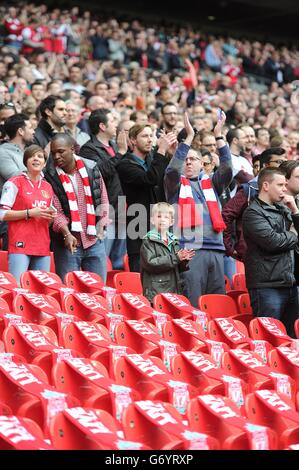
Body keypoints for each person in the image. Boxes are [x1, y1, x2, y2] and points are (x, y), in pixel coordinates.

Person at [165, 111, 233, 307]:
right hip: (190, 250)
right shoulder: (175, 186)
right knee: (193, 305)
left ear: (202, 163)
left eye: (193, 159)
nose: (188, 161)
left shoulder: (212, 184)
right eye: (185, 158)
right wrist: (188, 138)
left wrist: (219, 135)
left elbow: (227, 169)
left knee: (217, 305)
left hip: (217, 250)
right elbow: (171, 171)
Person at [44, 133, 109, 283]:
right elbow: (55, 210)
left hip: (94, 240)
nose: (56, 156)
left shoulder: (91, 167)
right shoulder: (49, 175)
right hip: (67, 244)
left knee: (98, 291)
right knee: (68, 291)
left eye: (61, 151)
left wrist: (102, 224)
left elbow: (102, 197)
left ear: (72, 149)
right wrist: (66, 234)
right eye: (53, 153)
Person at [242, 167, 299, 337]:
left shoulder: (284, 209)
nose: (284, 189)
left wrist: (295, 211)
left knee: (292, 340)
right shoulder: (252, 213)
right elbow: (273, 242)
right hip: (267, 286)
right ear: (266, 185)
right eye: (280, 185)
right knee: (268, 339)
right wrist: (294, 233)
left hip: (289, 282)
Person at [0, 144, 55, 284]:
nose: (36, 159)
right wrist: (29, 213)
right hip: (20, 245)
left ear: (44, 163)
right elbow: (2, 214)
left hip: (42, 246)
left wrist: (51, 218)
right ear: (26, 161)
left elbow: (47, 219)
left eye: (40, 156)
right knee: (17, 288)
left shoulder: (48, 187)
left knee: (41, 292)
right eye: (32, 156)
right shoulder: (14, 182)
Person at [140, 202, 194, 303]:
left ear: (172, 221)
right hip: (156, 292)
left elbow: (176, 267)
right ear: (152, 220)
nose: (162, 220)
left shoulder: (174, 240)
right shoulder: (148, 240)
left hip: (174, 291)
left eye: (166, 217)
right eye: (159, 216)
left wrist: (183, 260)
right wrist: (176, 258)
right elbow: (150, 263)